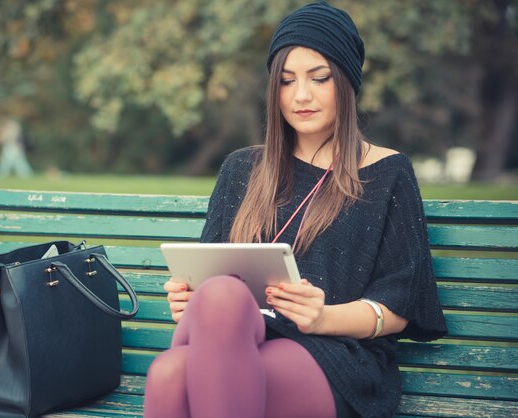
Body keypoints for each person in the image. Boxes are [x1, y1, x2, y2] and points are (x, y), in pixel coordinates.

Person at [144, 2, 447, 417]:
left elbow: (397, 308)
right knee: (218, 297)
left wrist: (321, 317)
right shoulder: (241, 169)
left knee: (170, 374)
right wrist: (189, 300)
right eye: (286, 81)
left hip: (333, 352)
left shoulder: (387, 173)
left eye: (319, 78)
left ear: (347, 82)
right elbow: (208, 280)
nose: (301, 95)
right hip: (236, 339)